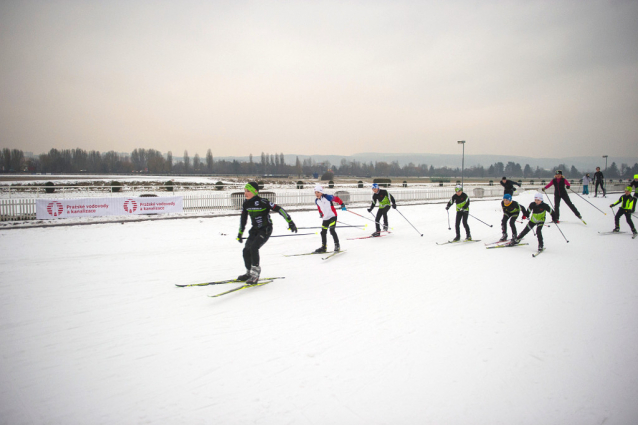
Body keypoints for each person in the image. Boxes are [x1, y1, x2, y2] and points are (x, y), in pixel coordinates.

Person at [237, 182, 297, 284]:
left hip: (265, 230)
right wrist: (240, 232)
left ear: (255, 192)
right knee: (246, 251)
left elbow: (279, 209)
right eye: (244, 191)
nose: (245, 193)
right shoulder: (246, 203)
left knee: (253, 248)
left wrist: (290, 222)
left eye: (248, 191)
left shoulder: (262, 202)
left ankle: (255, 274)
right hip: (254, 230)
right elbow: (243, 218)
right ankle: (249, 273)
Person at [313, 184, 346, 253]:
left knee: (332, 230)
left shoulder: (327, 197)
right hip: (325, 218)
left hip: (332, 216)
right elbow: (319, 207)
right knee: (323, 232)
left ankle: (337, 245)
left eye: (318, 192)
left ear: (321, 192)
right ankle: (323, 247)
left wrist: (342, 204)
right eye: (315, 192)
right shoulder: (317, 201)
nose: (317, 194)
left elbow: (336, 199)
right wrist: (320, 213)